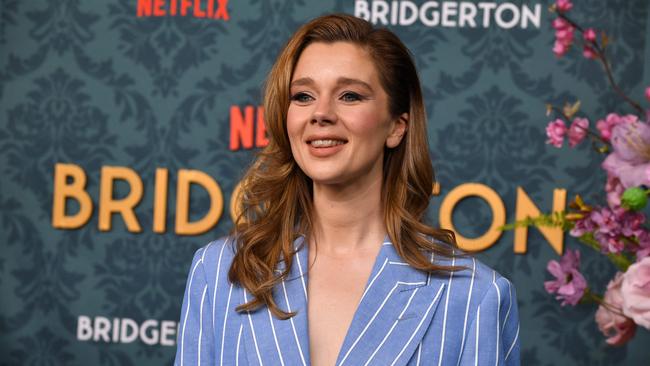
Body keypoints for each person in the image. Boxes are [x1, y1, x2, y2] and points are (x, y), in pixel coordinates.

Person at [174, 14, 520, 366]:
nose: (321, 113)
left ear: (396, 127)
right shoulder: (220, 271)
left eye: (350, 95)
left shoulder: (475, 296)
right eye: (304, 95)